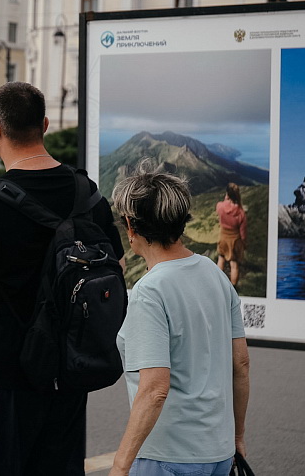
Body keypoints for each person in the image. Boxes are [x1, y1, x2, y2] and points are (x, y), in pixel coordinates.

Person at [0, 82, 124, 476]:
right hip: (68, 370)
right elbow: (117, 265)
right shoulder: (87, 194)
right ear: (44, 124)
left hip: (3, 374)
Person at [109, 167, 250, 476]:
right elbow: (240, 364)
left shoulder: (150, 290)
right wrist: (237, 436)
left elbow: (155, 389)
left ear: (131, 225)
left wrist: (120, 466)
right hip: (219, 453)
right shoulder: (215, 274)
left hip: (168, 455)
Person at [216, 183, 247, 287]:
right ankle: (233, 288)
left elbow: (220, 212)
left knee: (221, 260)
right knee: (234, 265)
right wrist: (244, 243)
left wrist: (226, 199)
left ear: (227, 194)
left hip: (223, 237)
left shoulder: (220, 206)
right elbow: (243, 233)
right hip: (235, 240)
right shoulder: (241, 213)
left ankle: (218, 284)